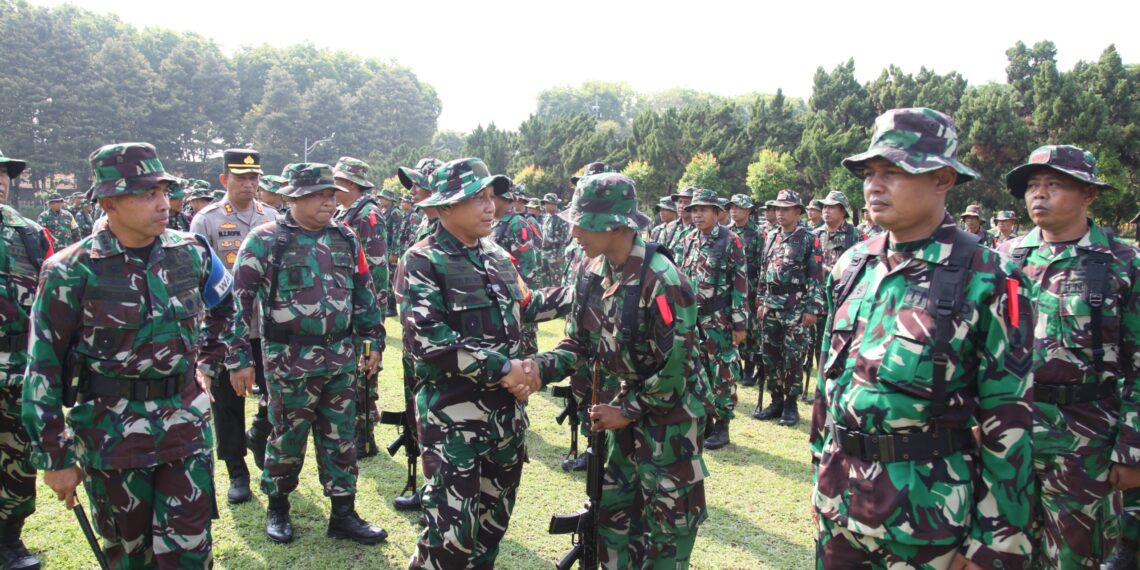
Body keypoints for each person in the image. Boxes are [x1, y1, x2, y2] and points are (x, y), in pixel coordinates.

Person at [810, 108, 1034, 569]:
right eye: (871, 172)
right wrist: (820, 478)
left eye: (894, 171)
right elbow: (827, 388)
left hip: (927, 521)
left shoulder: (990, 276)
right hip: (841, 509)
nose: (874, 184)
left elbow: (1010, 420)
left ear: (943, 178)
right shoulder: (852, 266)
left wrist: (994, 543)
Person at [23, 142, 234, 567]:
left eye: (163, 191)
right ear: (109, 202)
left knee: (191, 552)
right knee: (129, 554)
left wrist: (208, 366)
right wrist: (54, 456)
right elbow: (42, 366)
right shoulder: (70, 269)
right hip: (111, 435)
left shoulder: (191, 252)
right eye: (145, 194)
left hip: (184, 427)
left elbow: (226, 309)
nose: (162, 203)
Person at [397, 157, 569, 568]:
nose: (489, 206)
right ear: (444, 208)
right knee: (449, 538)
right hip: (452, 420)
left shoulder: (496, 255)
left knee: (491, 531)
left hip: (505, 420)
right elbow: (430, 341)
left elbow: (525, 306)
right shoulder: (422, 261)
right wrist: (504, 368)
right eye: (475, 198)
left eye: (490, 196)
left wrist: (579, 293)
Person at [534, 172, 710, 568]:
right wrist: (536, 369)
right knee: (612, 518)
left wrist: (625, 411)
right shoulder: (590, 271)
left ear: (614, 226)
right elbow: (578, 343)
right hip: (621, 416)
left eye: (582, 222)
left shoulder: (663, 281)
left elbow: (674, 373)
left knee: (666, 532)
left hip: (670, 424)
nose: (574, 231)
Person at [225, 162, 387, 545]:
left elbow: (364, 294)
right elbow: (239, 304)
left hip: (342, 358)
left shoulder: (346, 238)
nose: (329, 202)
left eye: (332, 195)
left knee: (342, 437)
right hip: (289, 361)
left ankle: (343, 514)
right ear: (293, 197)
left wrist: (372, 343)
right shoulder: (266, 240)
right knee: (288, 437)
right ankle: (278, 507)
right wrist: (239, 359)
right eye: (319, 195)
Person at [998, 145, 1140, 569]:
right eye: (1032, 186)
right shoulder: (1005, 260)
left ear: (1088, 194)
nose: (1038, 194)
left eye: (1053, 184)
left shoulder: (1122, 263)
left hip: (1087, 437)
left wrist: (1132, 451)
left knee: (1076, 557)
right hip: (1011, 431)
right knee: (1006, 548)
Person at [190, 148, 279, 504]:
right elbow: (200, 281)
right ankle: (236, 471)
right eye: (240, 177)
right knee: (227, 402)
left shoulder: (272, 217)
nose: (249, 184)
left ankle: (258, 434)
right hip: (226, 329)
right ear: (224, 180)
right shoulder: (207, 221)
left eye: (254, 177)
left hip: (269, 326)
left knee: (277, 397)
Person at [0, 149, 51, 570]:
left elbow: (48, 303)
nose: (1, 180)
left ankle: (10, 538)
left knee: (18, 456)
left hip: (16, 370)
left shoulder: (28, 233)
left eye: (5, 173)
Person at [677, 189, 746, 449]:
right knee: (696, 370)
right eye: (694, 209)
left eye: (703, 209)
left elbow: (740, 283)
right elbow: (681, 279)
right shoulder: (687, 239)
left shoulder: (730, 240)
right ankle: (703, 419)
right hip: (692, 318)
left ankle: (723, 424)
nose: (697, 214)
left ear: (717, 212)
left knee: (722, 371)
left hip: (719, 319)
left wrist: (739, 323)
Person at [331, 156, 389, 458]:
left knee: (365, 373)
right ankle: (356, 432)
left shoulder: (368, 216)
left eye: (336, 181)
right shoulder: (349, 212)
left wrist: (370, 315)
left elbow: (376, 270)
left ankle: (364, 438)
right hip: (349, 309)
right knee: (353, 374)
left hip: (363, 311)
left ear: (349, 183)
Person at [752, 189, 822, 427]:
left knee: (792, 357)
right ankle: (776, 401)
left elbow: (815, 275)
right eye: (778, 208)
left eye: (786, 209)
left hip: (796, 307)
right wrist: (761, 300)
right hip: (771, 306)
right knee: (770, 355)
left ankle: (791, 405)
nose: (780, 213)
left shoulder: (808, 238)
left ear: (798, 212)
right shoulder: (771, 236)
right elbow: (763, 270)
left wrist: (812, 308)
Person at [804, 191, 865, 401]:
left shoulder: (855, 235)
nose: (826, 211)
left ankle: (838, 389)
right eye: (824, 207)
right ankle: (821, 388)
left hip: (843, 301)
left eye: (831, 207)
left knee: (841, 346)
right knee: (818, 345)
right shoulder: (814, 234)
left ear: (842, 211)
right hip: (816, 299)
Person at [490, 184, 540, 357]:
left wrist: (520, 306)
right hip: (501, 299)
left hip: (518, 302)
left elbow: (527, 270)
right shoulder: (494, 224)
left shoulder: (517, 224)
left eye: (492, 197)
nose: (488, 202)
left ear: (504, 200)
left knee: (525, 350)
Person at [729, 194, 764, 389]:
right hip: (732, 290)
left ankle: (750, 368)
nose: (734, 210)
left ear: (749, 211)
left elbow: (762, 265)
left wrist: (760, 293)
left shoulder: (757, 234)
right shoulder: (726, 232)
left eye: (739, 207)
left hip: (750, 290)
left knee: (751, 331)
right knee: (733, 327)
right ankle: (738, 367)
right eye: (732, 207)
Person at [540, 193, 570, 288]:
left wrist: (561, 254)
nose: (545, 205)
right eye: (544, 203)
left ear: (554, 204)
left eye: (547, 203)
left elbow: (565, 238)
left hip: (555, 256)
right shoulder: (547, 217)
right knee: (545, 281)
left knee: (556, 282)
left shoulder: (561, 218)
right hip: (545, 255)